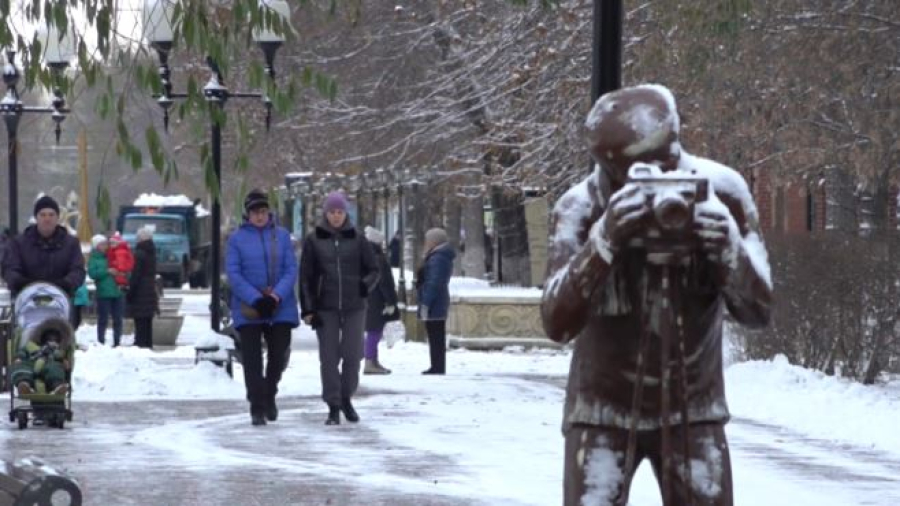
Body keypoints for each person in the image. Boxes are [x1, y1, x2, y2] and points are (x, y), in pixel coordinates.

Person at [541, 84, 772, 506]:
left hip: (693, 408)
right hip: (602, 410)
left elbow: (759, 311)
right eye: (637, 174)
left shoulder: (720, 194)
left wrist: (730, 252)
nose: (659, 182)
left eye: (667, 164)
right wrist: (603, 244)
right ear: (609, 168)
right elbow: (556, 323)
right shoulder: (581, 208)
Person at [299, 191, 379, 426]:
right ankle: (333, 404)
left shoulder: (358, 239)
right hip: (326, 305)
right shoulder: (314, 240)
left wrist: (365, 286)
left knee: (353, 355)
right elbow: (306, 277)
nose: (336, 216)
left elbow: (374, 269)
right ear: (326, 214)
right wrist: (309, 309)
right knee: (329, 357)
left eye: (340, 212)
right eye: (332, 212)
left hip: (355, 305)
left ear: (346, 214)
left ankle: (346, 397)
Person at [226, 189, 299, 426]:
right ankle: (257, 406)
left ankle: (269, 393)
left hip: (280, 305)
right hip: (249, 306)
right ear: (247, 214)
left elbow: (291, 269)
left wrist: (275, 296)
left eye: (263, 211)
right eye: (255, 212)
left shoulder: (282, 236)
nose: (260, 216)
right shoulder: (237, 239)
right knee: (252, 359)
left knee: (278, 353)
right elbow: (234, 273)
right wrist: (256, 298)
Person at [1, 195, 85, 296]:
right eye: (43, 215)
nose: (47, 219)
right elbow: (10, 270)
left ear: (57, 217)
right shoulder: (18, 243)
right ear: (36, 217)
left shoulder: (71, 244)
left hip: (61, 298)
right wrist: (27, 285)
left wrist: (63, 284)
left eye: (51, 215)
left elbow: (77, 270)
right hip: (26, 298)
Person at [416, 228, 456, 375]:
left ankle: (437, 367)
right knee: (435, 335)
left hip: (435, 302)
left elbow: (434, 282)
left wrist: (426, 303)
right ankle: (436, 365)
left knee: (436, 335)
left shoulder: (438, 258)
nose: (426, 243)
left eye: (428, 240)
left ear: (434, 241)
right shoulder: (438, 256)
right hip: (438, 300)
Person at [362, 226, 399, 375]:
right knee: (374, 331)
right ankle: (370, 361)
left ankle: (373, 361)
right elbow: (383, 282)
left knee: (374, 331)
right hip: (376, 300)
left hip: (369, 298)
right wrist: (390, 302)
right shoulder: (377, 258)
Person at [11, 316, 75, 395]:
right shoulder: (31, 346)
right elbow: (23, 352)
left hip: (49, 366)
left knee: (55, 369)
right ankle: (25, 385)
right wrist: (19, 358)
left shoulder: (59, 352)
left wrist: (65, 363)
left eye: (54, 340)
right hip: (31, 364)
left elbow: (63, 361)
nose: (52, 342)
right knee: (22, 366)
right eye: (49, 339)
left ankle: (57, 386)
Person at [88, 234, 125, 347]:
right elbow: (92, 274)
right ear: (97, 246)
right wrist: (107, 271)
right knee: (103, 319)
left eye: (105, 243)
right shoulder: (93, 259)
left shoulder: (111, 255)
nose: (105, 246)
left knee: (118, 318)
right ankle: (101, 341)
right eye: (102, 244)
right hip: (103, 293)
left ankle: (117, 341)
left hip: (117, 291)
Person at [128, 227, 160, 349]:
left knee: (140, 318)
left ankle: (140, 343)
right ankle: (148, 342)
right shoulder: (152, 251)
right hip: (149, 288)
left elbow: (136, 274)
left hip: (140, 290)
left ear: (141, 238)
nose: (136, 239)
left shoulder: (139, 253)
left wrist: (130, 291)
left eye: (138, 237)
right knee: (147, 318)